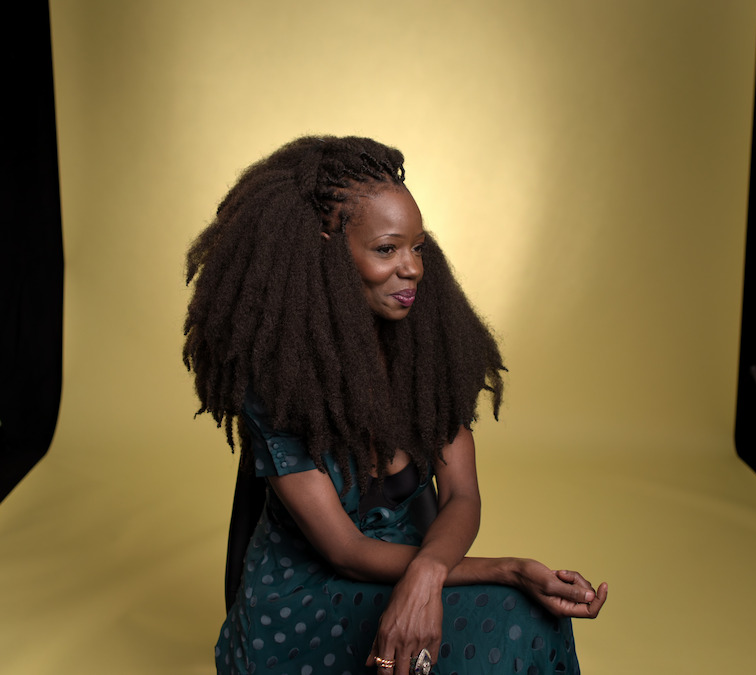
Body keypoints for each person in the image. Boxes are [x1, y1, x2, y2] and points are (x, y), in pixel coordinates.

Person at [183, 136, 607, 675]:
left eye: (418, 247)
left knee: (536, 615)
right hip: (307, 602)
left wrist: (428, 572)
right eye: (387, 250)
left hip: (415, 568)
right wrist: (509, 568)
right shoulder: (282, 385)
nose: (412, 269)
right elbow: (344, 551)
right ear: (328, 249)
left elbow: (461, 495)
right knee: (513, 614)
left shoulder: (427, 346)